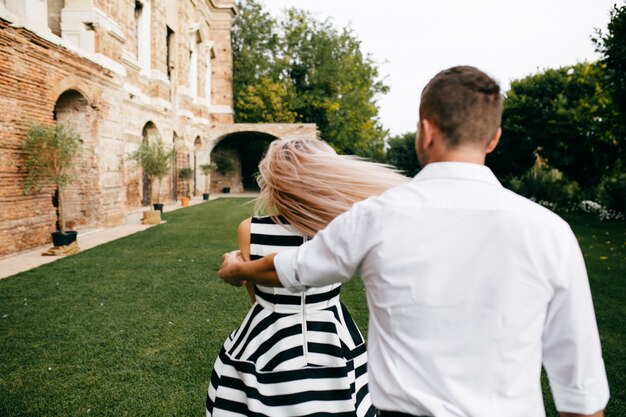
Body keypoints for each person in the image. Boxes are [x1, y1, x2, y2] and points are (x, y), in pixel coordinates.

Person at [218, 66, 610, 417]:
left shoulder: (375, 217)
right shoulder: (551, 230)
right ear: (494, 139)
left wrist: (239, 269)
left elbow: (292, 268)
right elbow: (581, 391)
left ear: (425, 131)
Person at [206, 137, 408, 417]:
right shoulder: (340, 225)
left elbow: (256, 297)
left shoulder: (249, 229)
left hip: (268, 334)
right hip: (332, 332)